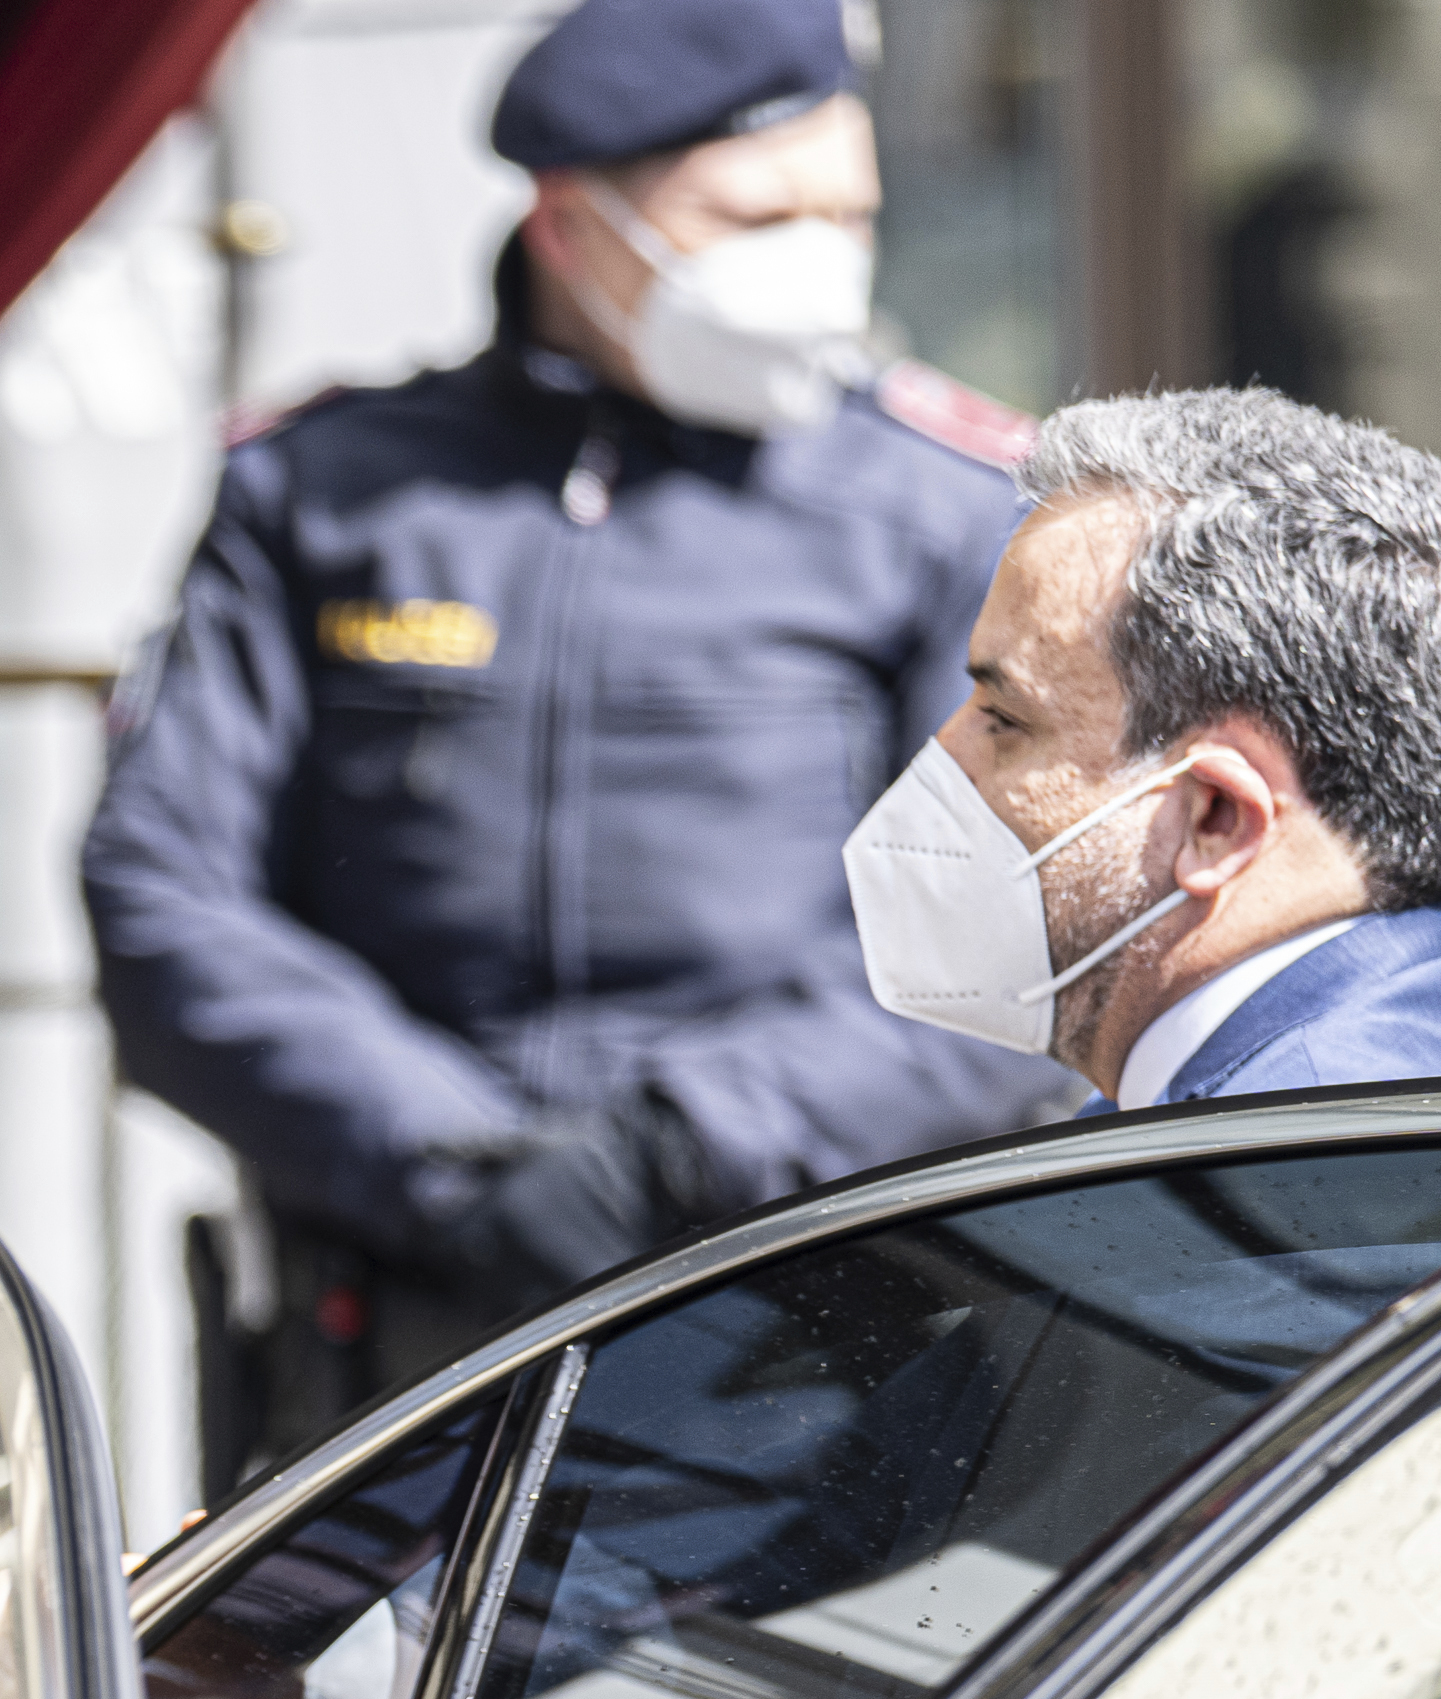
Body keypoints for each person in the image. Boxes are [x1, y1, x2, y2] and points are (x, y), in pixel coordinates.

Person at [83, 0, 1072, 1486]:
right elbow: (164, 895)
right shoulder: (328, 493)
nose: (819, 256)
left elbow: (1020, 927)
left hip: (801, 1327)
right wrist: (452, 1165)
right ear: (570, 227)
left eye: (846, 209)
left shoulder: (943, 509)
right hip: (391, 1342)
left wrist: (675, 1154)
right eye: (756, 212)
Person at [844, 386, 1441, 1112]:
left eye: (1005, 719)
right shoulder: (1379, 1096)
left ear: (1219, 817)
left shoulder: (1292, 1175)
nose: (943, 756)